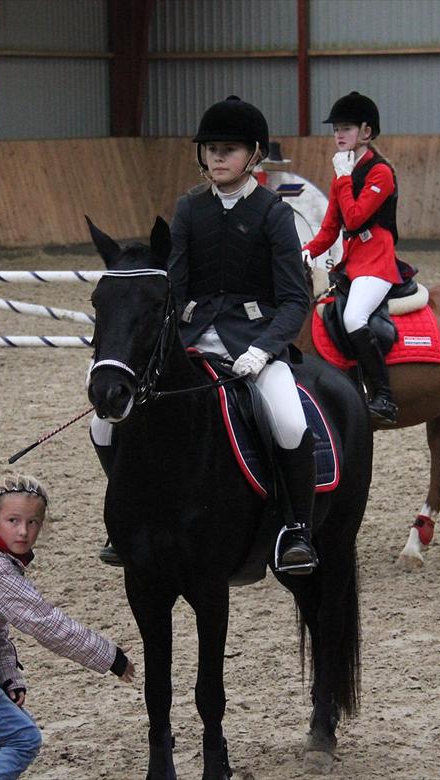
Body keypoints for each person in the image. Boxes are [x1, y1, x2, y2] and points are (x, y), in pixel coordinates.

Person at [97, 95, 318, 576]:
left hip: (254, 340)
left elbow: (296, 300)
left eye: (229, 149)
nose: (217, 157)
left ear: (254, 155)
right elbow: (173, 285)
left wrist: (264, 350)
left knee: (286, 418)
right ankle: (126, 520)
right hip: (192, 338)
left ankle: (294, 529)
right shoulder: (190, 210)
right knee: (104, 422)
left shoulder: (274, 215)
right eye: (211, 149)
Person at [0, 475, 135, 780]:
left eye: (33, 523)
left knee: (12, 733)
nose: (23, 531)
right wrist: (110, 657)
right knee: (24, 738)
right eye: (13, 520)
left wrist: (8, 677)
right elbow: (44, 622)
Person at [302, 90, 401, 424]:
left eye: (346, 128)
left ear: (366, 132)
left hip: (378, 262)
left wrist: (344, 180)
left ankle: (385, 397)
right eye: (336, 129)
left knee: (353, 318)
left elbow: (356, 218)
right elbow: (330, 229)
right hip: (353, 263)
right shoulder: (341, 175)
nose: (338, 135)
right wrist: (305, 251)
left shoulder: (380, 173)